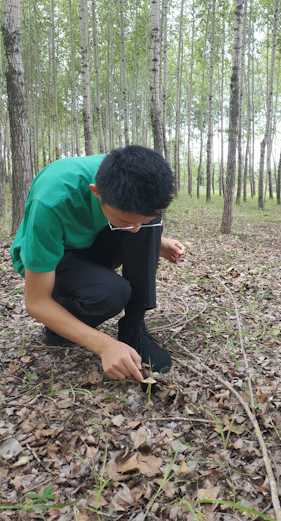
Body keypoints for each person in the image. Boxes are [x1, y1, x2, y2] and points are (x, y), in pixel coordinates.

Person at [10, 145, 185, 381]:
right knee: (112, 293)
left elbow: (135, 223)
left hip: (93, 242)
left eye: (139, 222)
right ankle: (60, 324)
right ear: (96, 192)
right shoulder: (51, 202)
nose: (135, 230)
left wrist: (156, 241)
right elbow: (36, 302)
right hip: (56, 257)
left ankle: (134, 326)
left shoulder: (136, 175)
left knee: (149, 228)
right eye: (125, 221)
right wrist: (104, 345)